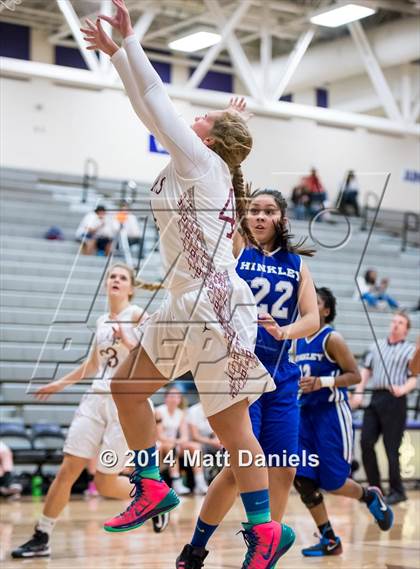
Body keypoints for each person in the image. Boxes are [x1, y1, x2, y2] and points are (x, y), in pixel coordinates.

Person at [81, 3, 287, 565]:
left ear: (213, 139)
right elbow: (151, 109)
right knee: (179, 408)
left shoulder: (200, 161)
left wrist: (128, 44)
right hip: (200, 301)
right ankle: (192, 500)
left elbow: (155, 105)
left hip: (209, 301)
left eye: (206, 117)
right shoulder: (199, 162)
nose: (193, 116)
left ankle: (224, 513)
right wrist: (122, 54)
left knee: (191, 414)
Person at [176, 188, 319, 568]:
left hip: (282, 375)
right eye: (254, 210)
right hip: (240, 371)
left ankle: (264, 548)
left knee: (284, 464)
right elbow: (232, 205)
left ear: (281, 219)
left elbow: (312, 318)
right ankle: (195, 549)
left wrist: (285, 332)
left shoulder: (297, 265)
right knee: (241, 466)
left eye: (268, 211)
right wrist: (231, 165)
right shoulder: (236, 249)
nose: (258, 216)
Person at [11, 264, 168, 559]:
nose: (116, 280)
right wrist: (57, 384)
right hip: (95, 399)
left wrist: (130, 340)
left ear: (131, 288)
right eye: (112, 276)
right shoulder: (100, 320)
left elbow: (156, 356)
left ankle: (155, 499)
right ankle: (42, 534)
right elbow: (93, 366)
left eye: (122, 277)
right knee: (69, 468)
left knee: (105, 482)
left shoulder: (136, 314)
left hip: (128, 403)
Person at [294, 287, 393, 557]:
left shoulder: (331, 338)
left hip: (331, 415)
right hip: (305, 416)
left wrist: (322, 382)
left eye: (315, 303)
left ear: (325, 310)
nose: (308, 306)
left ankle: (369, 496)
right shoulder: (297, 339)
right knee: (302, 478)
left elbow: (355, 376)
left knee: (333, 482)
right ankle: (329, 539)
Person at [352, 311, 417, 505]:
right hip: (376, 397)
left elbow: (414, 377)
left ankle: (398, 490)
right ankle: (375, 488)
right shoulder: (376, 346)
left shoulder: (410, 350)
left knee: (391, 448)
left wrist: (402, 389)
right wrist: (358, 391)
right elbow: (366, 371)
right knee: (365, 442)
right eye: (394, 321)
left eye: (401, 322)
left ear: (406, 329)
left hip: (396, 399)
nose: (396, 324)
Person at [156, 386, 208, 495]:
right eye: (172, 396)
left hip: (175, 443)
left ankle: (200, 482)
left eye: (177, 396)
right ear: (166, 398)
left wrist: (178, 441)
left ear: (180, 400)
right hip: (160, 445)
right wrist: (176, 442)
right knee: (171, 447)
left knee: (195, 446)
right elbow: (159, 435)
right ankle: (176, 483)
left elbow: (184, 436)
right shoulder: (159, 411)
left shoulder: (181, 414)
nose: (174, 399)